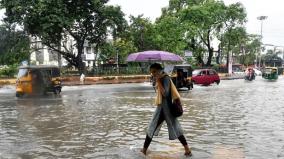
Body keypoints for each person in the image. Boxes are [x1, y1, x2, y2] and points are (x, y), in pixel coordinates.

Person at [141, 63, 192, 156]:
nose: (153, 74)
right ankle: (187, 149)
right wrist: (157, 81)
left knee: (152, 128)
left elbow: (165, 94)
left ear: (159, 70)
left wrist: (158, 81)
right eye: (151, 72)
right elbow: (159, 93)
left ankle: (144, 150)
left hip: (165, 109)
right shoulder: (160, 78)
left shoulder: (166, 78)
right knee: (174, 127)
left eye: (154, 71)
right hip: (163, 108)